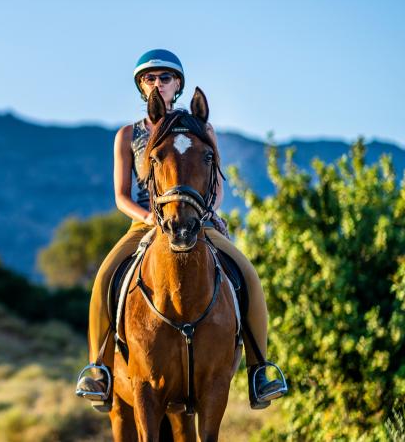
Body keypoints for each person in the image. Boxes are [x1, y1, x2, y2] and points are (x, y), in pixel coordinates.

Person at [74, 49, 287, 411]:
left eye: (165, 78)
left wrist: (204, 212)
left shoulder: (202, 129)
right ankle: (98, 370)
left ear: (178, 84)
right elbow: (122, 196)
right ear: (142, 86)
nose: (158, 83)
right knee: (104, 279)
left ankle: (260, 370)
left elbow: (216, 185)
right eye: (150, 78)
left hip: (197, 220)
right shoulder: (128, 135)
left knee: (248, 274)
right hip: (145, 223)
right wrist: (147, 219)